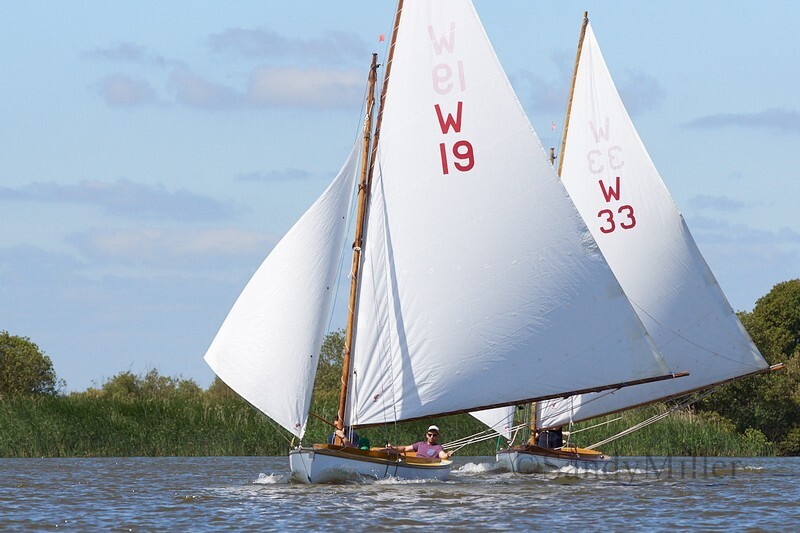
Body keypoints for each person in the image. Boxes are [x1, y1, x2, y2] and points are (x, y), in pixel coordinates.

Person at [387, 425, 452, 460]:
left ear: (438, 436)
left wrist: (447, 454)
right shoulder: (420, 444)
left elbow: (442, 456)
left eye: (434, 435)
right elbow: (405, 449)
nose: (431, 437)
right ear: (426, 435)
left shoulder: (438, 447)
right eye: (430, 435)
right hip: (416, 463)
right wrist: (392, 447)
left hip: (427, 466)